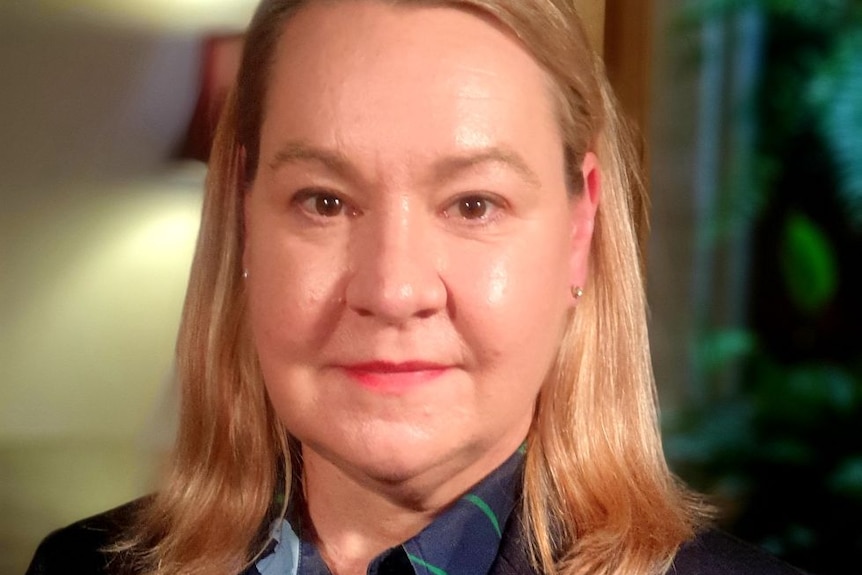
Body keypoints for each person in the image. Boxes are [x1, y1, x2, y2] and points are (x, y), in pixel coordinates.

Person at [27, 1, 806, 574]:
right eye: (324, 201)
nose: (393, 289)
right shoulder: (82, 563)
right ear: (244, 219)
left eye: (474, 204)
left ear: (578, 231)